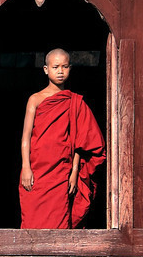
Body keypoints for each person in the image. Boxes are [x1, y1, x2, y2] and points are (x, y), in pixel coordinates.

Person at [19, 48, 105, 228]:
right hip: (37, 169)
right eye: (55, 66)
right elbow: (26, 137)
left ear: (70, 68)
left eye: (65, 66)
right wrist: (26, 167)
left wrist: (74, 172)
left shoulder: (75, 102)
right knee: (32, 219)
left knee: (59, 221)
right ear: (45, 69)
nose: (60, 71)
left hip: (61, 172)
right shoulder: (35, 99)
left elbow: (80, 142)